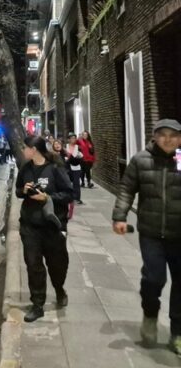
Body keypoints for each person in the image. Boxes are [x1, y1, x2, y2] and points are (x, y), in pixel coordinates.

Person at [112, 118, 181, 355]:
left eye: (174, 135)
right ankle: (150, 315)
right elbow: (126, 188)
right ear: (154, 136)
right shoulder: (141, 160)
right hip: (151, 233)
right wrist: (119, 216)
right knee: (154, 278)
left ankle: (177, 333)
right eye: (163, 135)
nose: (169, 139)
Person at [15, 135, 73, 323]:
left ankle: (59, 289)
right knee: (33, 265)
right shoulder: (25, 168)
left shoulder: (55, 168)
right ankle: (38, 304)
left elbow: (68, 194)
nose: (23, 150)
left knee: (57, 265)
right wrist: (24, 190)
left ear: (34, 149)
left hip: (52, 226)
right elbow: (17, 190)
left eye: (26, 147)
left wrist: (47, 198)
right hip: (30, 225)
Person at [64, 132, 83, 205]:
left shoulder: (78, 147)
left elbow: (81, 157)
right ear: (68, 139)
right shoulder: (65, 147)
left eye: (74, 138)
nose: (73, 139)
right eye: (71, 138)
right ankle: (68, 197)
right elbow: (64, 157)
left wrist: (79, 156)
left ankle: (77, 198)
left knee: (76, 183)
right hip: (68, 167)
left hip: (76, 167)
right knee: (67, 183)